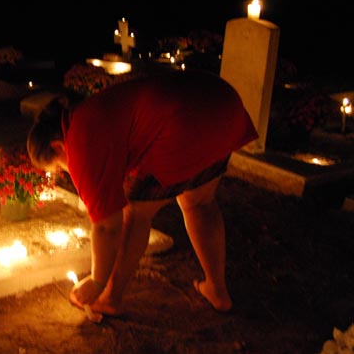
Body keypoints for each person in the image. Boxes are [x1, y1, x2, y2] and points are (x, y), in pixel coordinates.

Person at [27, 69, 258, 318]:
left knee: (135, 214)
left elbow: (107, 226)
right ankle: (217, 290)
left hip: (184, 124)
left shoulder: (81, 137)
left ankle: (109, 298)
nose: (67, 172)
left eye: (60, 166)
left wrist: (97, 281)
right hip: (224, 109)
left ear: (57, 145)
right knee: (199, 203)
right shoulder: (88, 112)